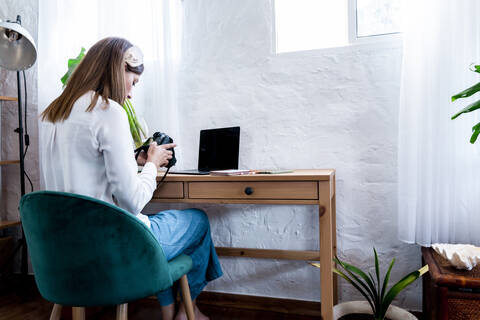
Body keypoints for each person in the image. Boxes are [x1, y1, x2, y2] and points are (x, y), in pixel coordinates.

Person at [39, 37, 222, 320]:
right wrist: (151, 164)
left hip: (64, 255)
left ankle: (171, 309)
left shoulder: (53, 114)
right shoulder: (107, 110)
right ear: (116, 69)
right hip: (111, 250)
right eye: (133, 82)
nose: (132, 93)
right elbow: (133, 200)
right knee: (196, 220)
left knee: (168, 228)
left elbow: (79, 177)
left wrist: (131, 161)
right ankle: (188, 311)